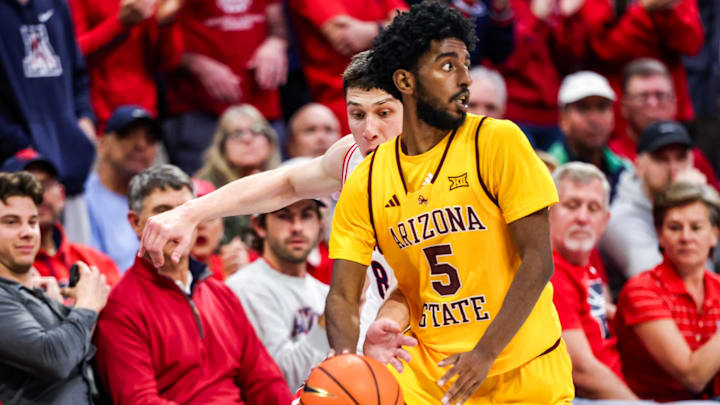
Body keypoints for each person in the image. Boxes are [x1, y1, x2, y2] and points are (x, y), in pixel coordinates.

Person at [328, 3, 573, 404]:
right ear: (405, 80)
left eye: (463, 64)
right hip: (432, 378)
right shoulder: (367, 182)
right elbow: (341, 295)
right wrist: (344, 363)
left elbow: (539, 261)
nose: (462, 78)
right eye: (445, 66)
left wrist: (484, 354)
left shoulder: (498, 141)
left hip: (524, 369)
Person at [138, 50, 404, 353]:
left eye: (384, 113)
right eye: (357, 115)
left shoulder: (461, 158)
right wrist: (189, 213)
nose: (369, 131)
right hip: (379, 335)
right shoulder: (351, 157)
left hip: (446, 333)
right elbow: (284, 183)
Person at [93, 164, 292, 404]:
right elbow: (139, 401)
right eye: (164, 211)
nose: (176, 223)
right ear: (135, 222)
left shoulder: (220, 293)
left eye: (185, 211)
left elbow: (264, 379)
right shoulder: (121, 308)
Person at [0, 171, 110, 405]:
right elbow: (55, 358)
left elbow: (74, 353)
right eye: (11, 222)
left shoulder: (34, 291)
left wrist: (60, 310)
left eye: (32, 221)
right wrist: (87, 305)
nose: (27, 232)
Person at [614, 182, 720, 401]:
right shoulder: (641, 290)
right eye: (674, 227)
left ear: (714, 235)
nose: (686, 237)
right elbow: (692, 377)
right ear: (660, 236)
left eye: (696, 227)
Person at [549, 162, 639, 401]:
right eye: (572, 205)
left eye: (593, 208)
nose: (582, 218)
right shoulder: (549, 272)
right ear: (548, 211)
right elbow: (582, 372)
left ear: (605, 220)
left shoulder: (585, 261)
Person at [226, 198, 329, 391]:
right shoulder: (245, 288)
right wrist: (334, 314)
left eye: (306, 215)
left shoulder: (324, 292)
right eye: (283, 216)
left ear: (320, 224)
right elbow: (283, 382)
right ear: (259, 225)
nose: (297, 227)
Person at [0, 0, 96, 197]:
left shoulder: (57, 5)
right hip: (14, 165)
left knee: (69, 227)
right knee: (21, 224)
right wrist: (21, 145)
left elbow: (77, 72)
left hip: (70, 158)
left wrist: (84, 118)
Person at [600, 121, 710, 287]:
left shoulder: (702, 199)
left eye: (680, 158)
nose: (673, 169)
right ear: (638, 166)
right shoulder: (621, 217)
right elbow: (663, 284)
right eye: (661, 159)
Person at [1, 149, 120, 287]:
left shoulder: (96, 263)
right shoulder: (10, 274)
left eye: (46, 184)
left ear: (62, 194)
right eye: (24, 190)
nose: (39, 195)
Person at [288, 0, 407, 134]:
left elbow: (407, 23)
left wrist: (376, 30)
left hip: (391, 95)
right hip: (343, 102)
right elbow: (345, 36)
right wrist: (388, 29)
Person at [68, 0, 183, 131]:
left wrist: (166, 23)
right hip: (97, 116)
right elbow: (72, 52)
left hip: (144, 116)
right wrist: (119, 23)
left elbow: (169, 62)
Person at [609, 59, 719, 191]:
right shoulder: (611, 158)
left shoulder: (692, 157)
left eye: (660, 96)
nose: (653, 104)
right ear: (624, 106)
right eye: (643, 96)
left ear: (674, 103)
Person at [83, 105, 160, 271]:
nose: (140, 144)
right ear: (103, 143)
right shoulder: (82, 196)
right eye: (127, 135)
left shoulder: (160, 200)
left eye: (150, 139)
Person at [195, 104, 282, 243]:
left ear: (269, 141)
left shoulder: (283, 181)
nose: (247, 139)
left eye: (256, 131)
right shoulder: (204, 189)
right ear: (222, 146)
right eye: (237, 133)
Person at [547, 71, 632, 199]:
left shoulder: (626, 171)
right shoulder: (545, 173)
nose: (594, 118)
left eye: (602, 107)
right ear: (562, 119)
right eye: (583, 108)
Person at [189, 178, 248, 281]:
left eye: (209, 217)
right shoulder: (171, 276)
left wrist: (243, 277)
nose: (201, 225)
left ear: (222, 227)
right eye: (191, 218)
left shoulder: (233, 263)